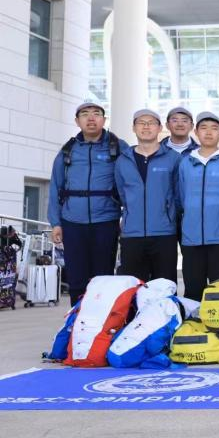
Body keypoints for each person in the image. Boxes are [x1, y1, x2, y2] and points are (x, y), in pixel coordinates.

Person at [48, 102, 129, 304]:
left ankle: (101, 319)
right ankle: (77, 318)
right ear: (77, 121)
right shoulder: (68, 150)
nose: (91, 118)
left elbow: (131, 185)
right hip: (72, 222)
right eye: (85, 114)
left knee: (103, 277)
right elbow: (55, 187)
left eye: (96, 114)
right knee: (76, 278)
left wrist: (127, 217)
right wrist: (55, 223)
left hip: (106, 221)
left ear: (104, 120)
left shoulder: (118, 147)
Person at [176, 111, 219, 300]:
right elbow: (181, 197)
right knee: (193, 289)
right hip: (191, 237)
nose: (208, 132)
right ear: (196, 132)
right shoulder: (186, 162)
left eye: (214, 128)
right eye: (204, 128)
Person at [113, 108, 180, 283]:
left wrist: (169, 215)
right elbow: (122, 193)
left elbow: (178, 194)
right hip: (132, 234)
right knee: (133, 287)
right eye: (141, 123)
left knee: (164, 285)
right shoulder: (123, 160)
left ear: (160, 128)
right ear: (134, 128)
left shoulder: (173, 158)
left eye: (151, 123)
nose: (146, 127)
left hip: (164, 233)